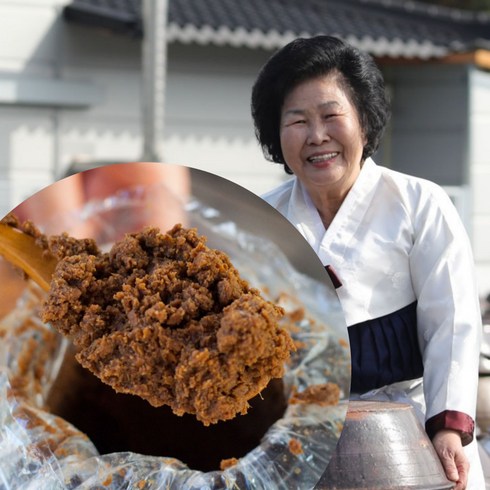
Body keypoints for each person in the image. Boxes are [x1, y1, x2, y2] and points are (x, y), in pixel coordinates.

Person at [252, 35, 484, 489]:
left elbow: (451, 324)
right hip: (295, 435)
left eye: (331, 115)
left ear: (364, 119)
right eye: (297, 120)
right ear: (276, 134)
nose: (317, 136)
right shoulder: (259, 218)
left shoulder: (419, 203)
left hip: (409, 429)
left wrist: (448, 428)